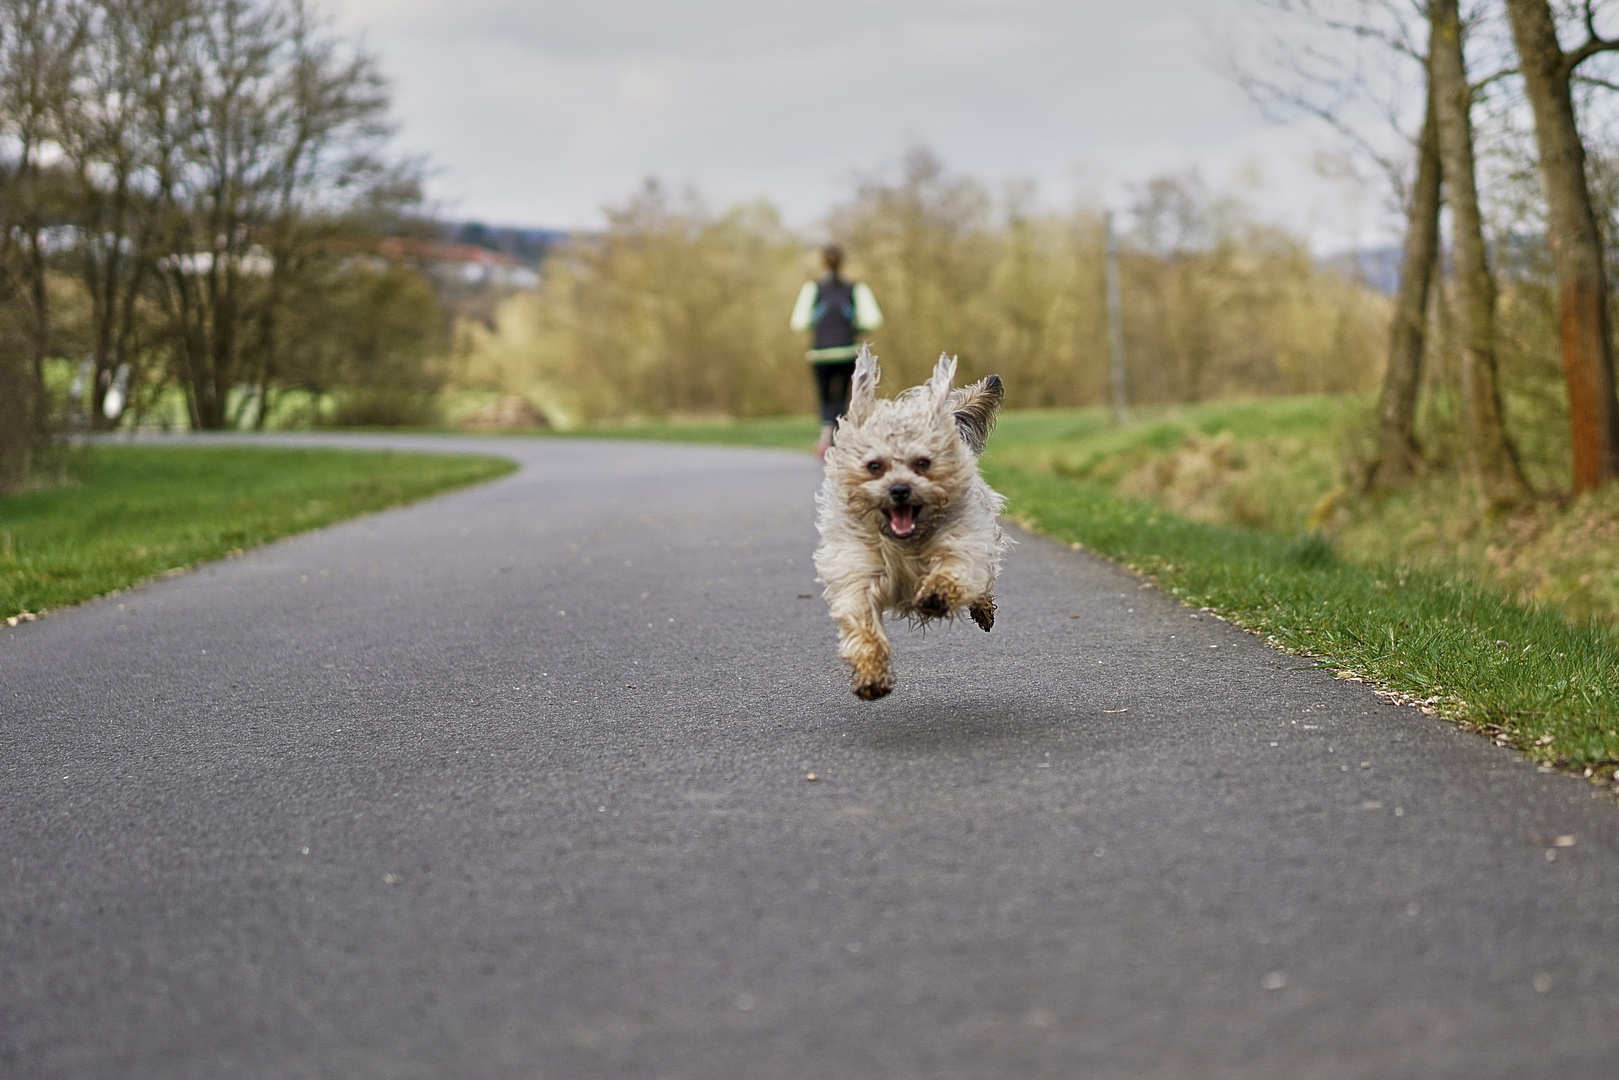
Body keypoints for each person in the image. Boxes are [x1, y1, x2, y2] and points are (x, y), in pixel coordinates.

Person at [789, 244, 883, 459]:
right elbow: (872, 319)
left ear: (822, 262)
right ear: (842, 262)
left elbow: (798, 322)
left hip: (820, 352)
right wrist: (856, 327)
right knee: (842, 396)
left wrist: (818, 325)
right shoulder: (854, 288)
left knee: (824, 396)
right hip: (847, 350)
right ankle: (840, 437)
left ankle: (825, 438)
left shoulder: (813, 288)